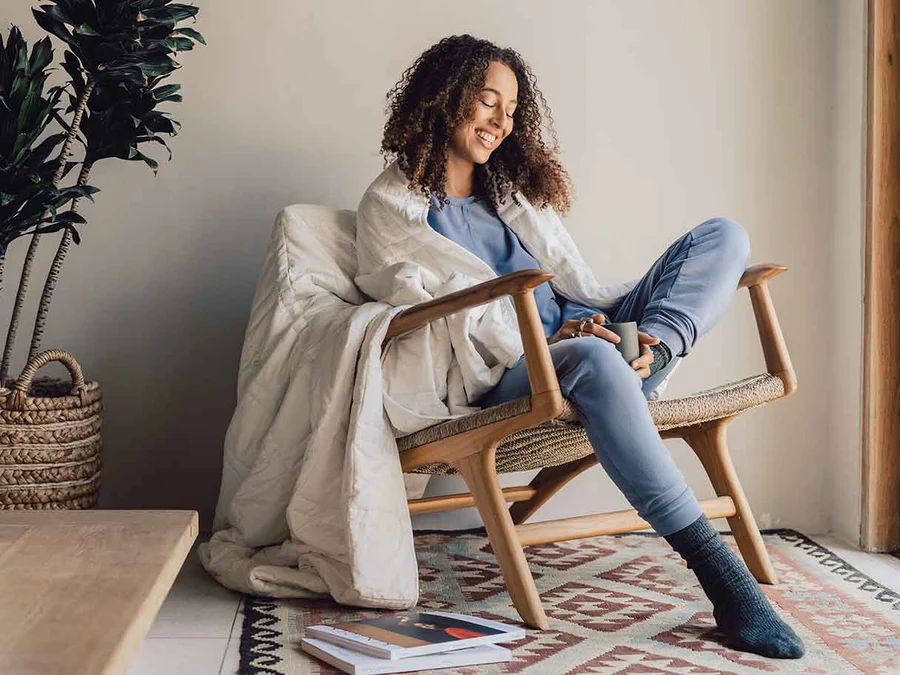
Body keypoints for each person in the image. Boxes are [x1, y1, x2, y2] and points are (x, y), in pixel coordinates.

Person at [366, 34, 804, 660]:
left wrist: (601, 327)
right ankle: (725, 580)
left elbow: (575, 285)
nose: (500, 121)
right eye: (487, 101)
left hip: (587, 336)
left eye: (511, 109)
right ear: (442, 97)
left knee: (723, 236)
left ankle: (656, 348)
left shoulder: (509, 194)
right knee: (595, 358)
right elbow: (428, 316)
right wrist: (553, 341)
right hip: (515, 370)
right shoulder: (394, 206)